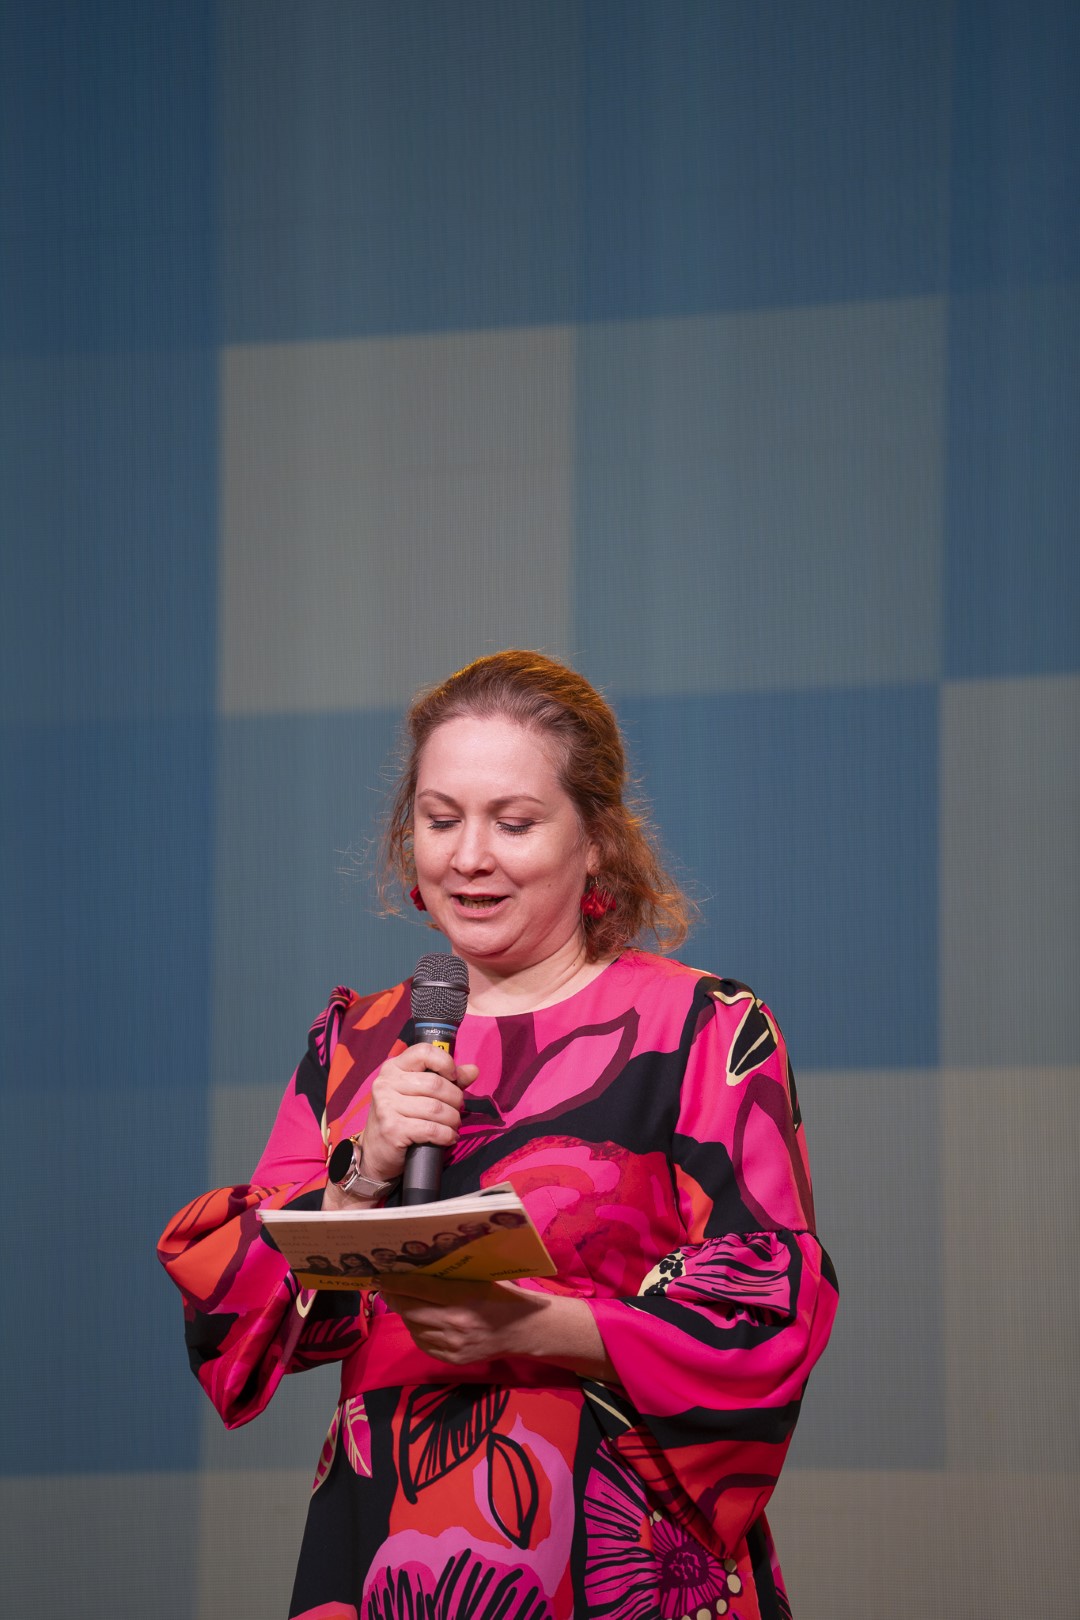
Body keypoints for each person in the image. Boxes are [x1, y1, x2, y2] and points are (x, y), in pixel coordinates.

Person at [159, 649, 837, 1620]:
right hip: (388, 1550)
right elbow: (233, 1318)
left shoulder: (703, 1032)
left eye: (513, 823)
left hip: (611, 1554)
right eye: (441, 820)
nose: (469, 857)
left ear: (596, 841)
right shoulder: (358, 1043)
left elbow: (771, 1311)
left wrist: (544, 1330)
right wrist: (359, 1180)